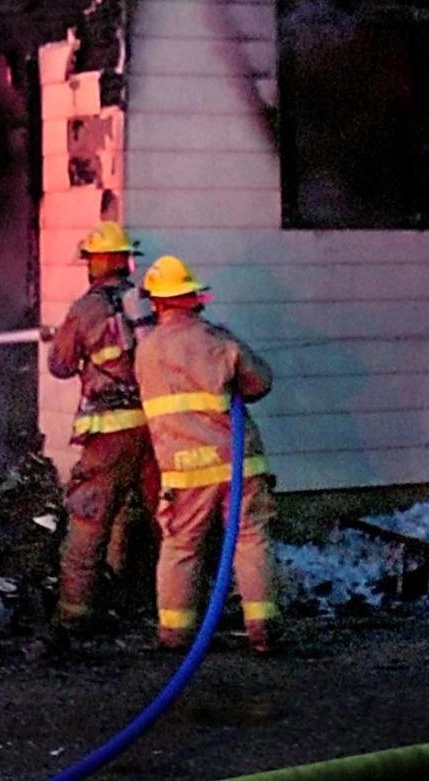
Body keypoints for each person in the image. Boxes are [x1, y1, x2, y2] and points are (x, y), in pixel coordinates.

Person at [135, 254, 277, 654]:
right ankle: (263, 631)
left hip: (183, 471)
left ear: (157, 302)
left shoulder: (146, 350)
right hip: (236, 463)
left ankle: (174, 634)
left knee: (181, 547)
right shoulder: (217, 341)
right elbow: (260, 383)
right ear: (193, 297)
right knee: (250, 540)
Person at [46, 200, 158, 632]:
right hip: (155, 427)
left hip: (109, 433)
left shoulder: (85, 308)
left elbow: (60, 366)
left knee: (89, 518)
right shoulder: (145, 302)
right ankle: (171, 605)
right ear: (126, 261)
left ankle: (75, 613)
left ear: (95, 263)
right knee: (166, 520)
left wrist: (66, 340)